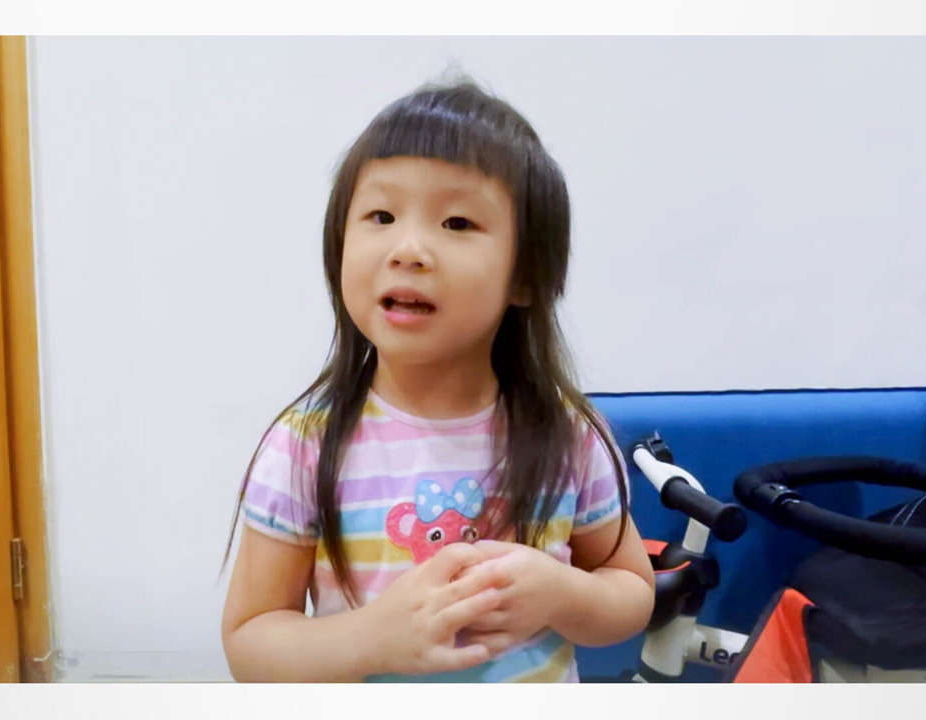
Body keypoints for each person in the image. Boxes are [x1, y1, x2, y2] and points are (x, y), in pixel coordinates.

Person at [220, 77, 656, 682]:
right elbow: (250, 643)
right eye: (381, 215)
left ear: (525, 275)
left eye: (456, 222)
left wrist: (561, 594)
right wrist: (371, 638)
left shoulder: (564, 434)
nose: (408, 249)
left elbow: (631, 588)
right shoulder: (305, 445)